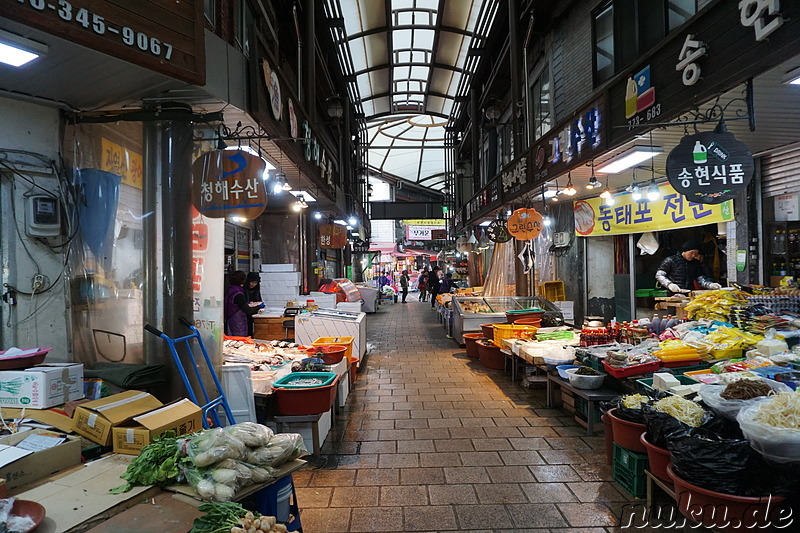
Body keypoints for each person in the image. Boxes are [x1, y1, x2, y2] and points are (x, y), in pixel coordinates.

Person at [655, 240, 722, 295]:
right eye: (691, 253)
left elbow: (700, 279)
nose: (693, 255)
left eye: (696, 254)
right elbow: (659, 275)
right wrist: (669, 284)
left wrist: (710, 285)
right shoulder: (671, 260)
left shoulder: (696, 263)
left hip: (689, 293)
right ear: (684, 251)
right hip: (673, 294)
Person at [225, 270, 264, 337]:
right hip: (238, 324)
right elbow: (248, 310)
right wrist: (259, 306)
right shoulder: (239, 294)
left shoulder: (230, 290)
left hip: (229, 321)